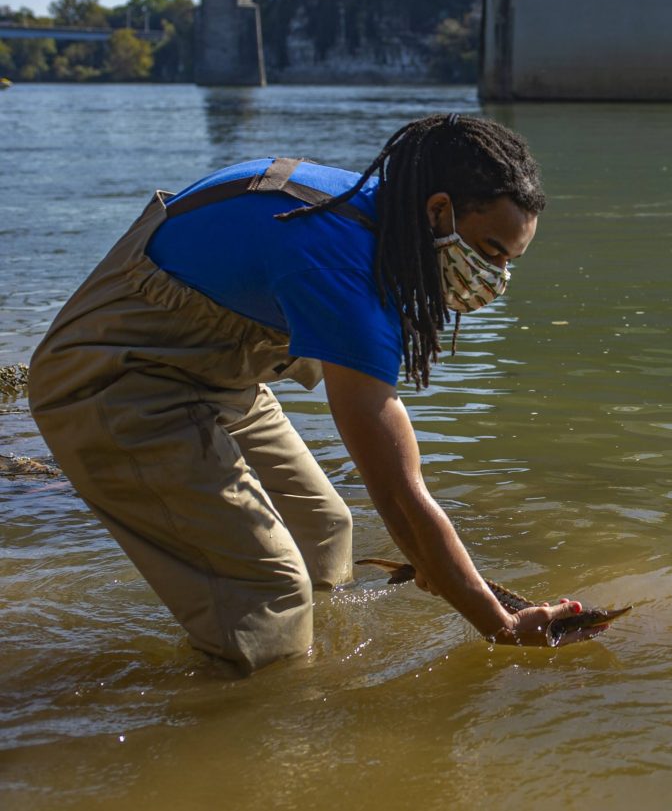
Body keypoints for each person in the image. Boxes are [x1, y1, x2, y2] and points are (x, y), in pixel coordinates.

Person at [28, 113, 599, 673]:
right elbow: (399, 493)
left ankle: (292, 659)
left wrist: (437, 563)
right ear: (439, 211)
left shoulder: (379, 214)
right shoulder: (342, 267)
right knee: (269, 588)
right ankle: (254, 709)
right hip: (113, 381)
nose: (496, 276)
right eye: (491, 250)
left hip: (216, 378)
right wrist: (500, 626)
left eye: (509, 261)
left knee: (322, 530)